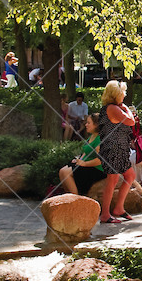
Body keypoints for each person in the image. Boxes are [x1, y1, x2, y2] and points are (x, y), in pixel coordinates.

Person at [96, 80, 137, 223]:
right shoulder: (113, 108)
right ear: (116, 94)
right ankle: (105, 214)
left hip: (119, 149)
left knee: (130, 176)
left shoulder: (112, 108)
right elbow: (131, 121)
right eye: (123, 93)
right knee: (112, 180)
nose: (124, 95)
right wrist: (127, 109)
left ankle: (119, 208)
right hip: (112, 149)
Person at [56, 114, 106, 194]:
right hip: (86, 164)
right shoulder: (92, 136)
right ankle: (69, 195)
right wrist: (79, 160)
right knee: (62, 171)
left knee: (66, 173)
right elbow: (85, 152)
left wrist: (84, 163)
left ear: (96, 125)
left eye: (88, 123)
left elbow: (101, 160)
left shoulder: (99, 139)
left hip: (96, 169)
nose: (86, 125)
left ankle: (76, 198)